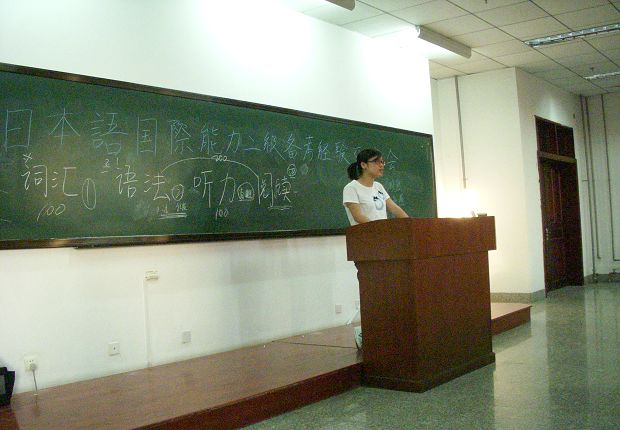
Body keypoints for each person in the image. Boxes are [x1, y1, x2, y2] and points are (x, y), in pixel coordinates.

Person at [343, 148, 409, 225]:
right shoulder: (351, 188)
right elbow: (358, 217)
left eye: (382, 162)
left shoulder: (378, 186)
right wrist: (379, 228)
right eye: (376, 162)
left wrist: (410, 223)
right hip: (365, 232)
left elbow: (394, 208)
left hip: (382, 231)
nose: (381, 165)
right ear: (363, 165)